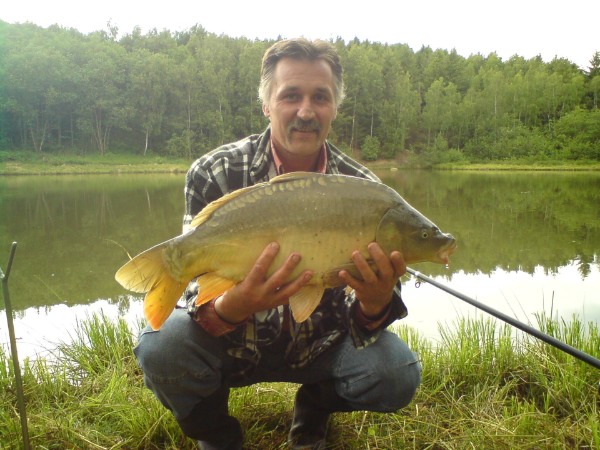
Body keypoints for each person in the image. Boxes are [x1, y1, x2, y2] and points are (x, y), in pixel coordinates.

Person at [134, 37, 421, 450]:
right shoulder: (214, 171)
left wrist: (375, 302)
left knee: (396, 372)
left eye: (320, 97)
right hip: (234, 345)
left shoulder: (365, 191)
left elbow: (365, 322)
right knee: (163, 347)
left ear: (335, 107)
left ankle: (314, 408)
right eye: (291, 96)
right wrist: (237, 304)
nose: (306, 111)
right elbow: (194, 301)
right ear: (267, 104)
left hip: (320, 347)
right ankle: (217, 435)